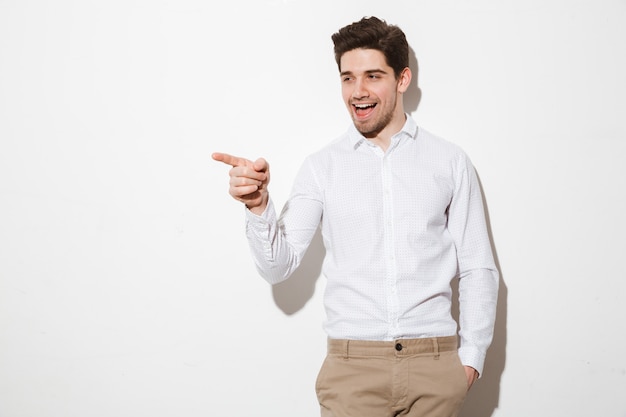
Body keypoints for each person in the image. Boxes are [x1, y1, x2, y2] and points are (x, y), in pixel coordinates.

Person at [212, 16, 498, 417]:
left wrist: (470, 360)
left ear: (402, 80)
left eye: (372, 76)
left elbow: (477, 267)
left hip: (434, 369)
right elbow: (279, 267)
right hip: (351, 372)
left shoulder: (449, 162)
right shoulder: (321, 167)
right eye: (347, 78)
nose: (357, 92)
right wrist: (258, 207)